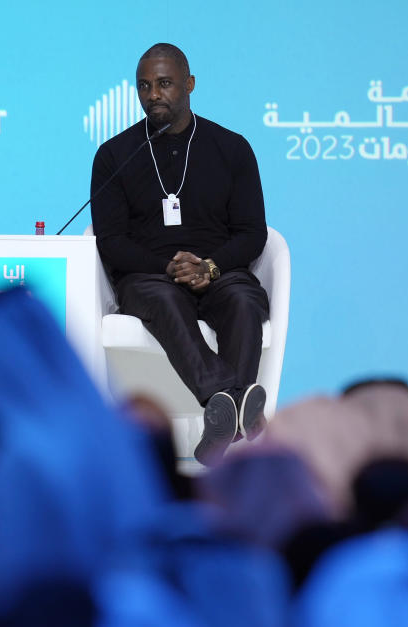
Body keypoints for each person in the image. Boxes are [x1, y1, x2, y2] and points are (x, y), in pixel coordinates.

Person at [90, 43, 270, 465]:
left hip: (220, 270)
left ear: (189, 84)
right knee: (167, 298)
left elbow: (252, 233)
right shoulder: (114, 155)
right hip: (149, 277)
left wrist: (210, 266)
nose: (154, 94)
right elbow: (111, 241)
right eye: (145, 86)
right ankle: (233, 402)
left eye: (165, 83)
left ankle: (224, 421)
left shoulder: (232, 148)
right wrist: (166, 267)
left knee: (244, 301)